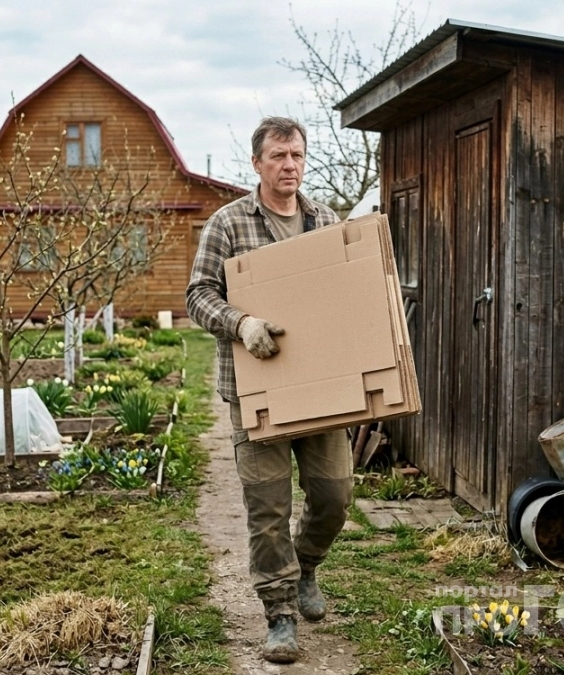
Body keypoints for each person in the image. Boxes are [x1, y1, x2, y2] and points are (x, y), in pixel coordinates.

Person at [185, 116, 353, 664]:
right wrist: (242, 323)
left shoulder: (325, 221)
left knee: (333, 497)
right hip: (257, 392)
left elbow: (345, 294)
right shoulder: (227, 224)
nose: (290, 166)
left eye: (298, 155)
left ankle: (306, 566)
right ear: (256, 163)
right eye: (278, 156)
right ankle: (279, 613)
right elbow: (198, 295)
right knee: (267, 508)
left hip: (321, 388)